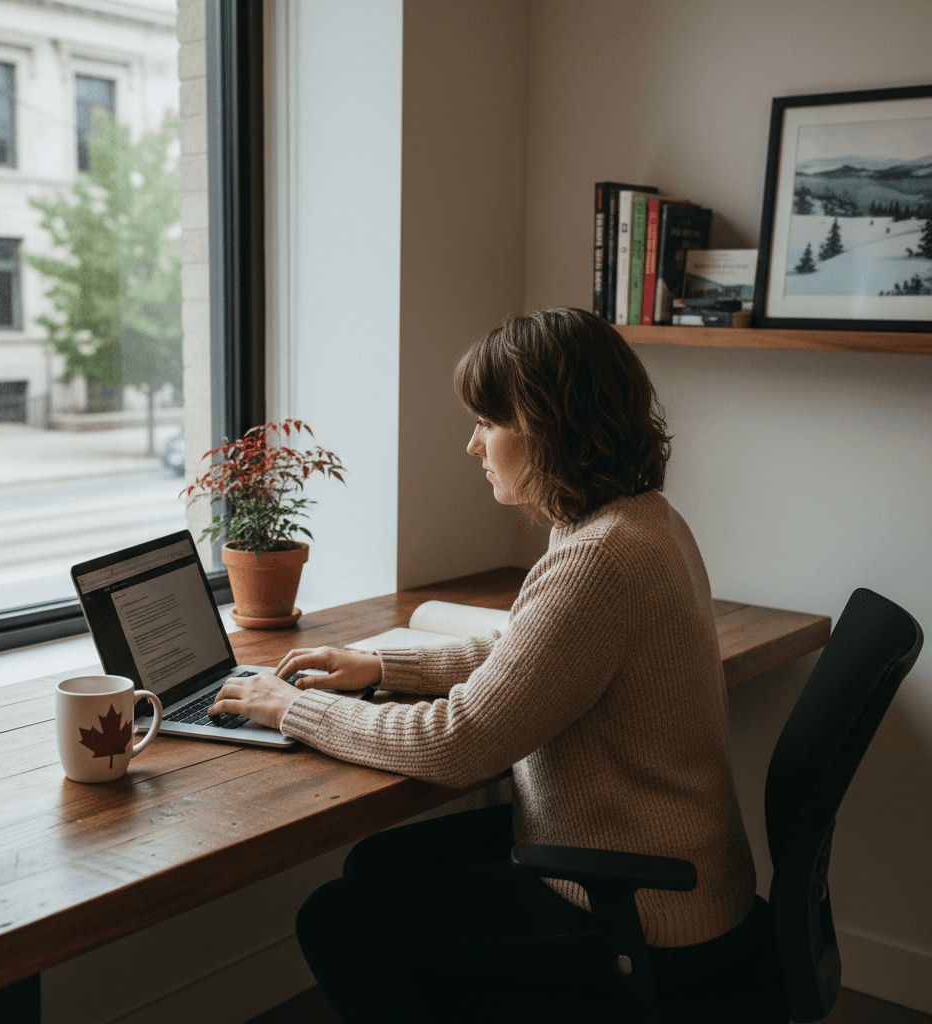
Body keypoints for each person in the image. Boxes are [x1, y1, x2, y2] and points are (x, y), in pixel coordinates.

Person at [209, 307, 760, 1023]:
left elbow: (458, 743)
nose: (473, 446)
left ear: (545, 427)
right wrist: (376, 667)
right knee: (379, 866)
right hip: (659, 871)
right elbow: (529, 657)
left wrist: (294, 708)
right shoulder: (635, 518)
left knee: (333, 921)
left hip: (642, 909)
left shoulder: (601, 558)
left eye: (488, 423)